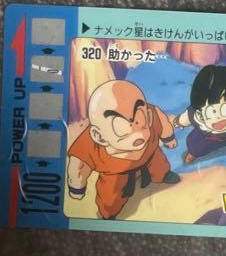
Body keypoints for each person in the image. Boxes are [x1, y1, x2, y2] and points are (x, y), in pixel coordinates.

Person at [66, 79, 180, 219]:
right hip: (115, 173)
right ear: (99, 136)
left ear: (148, 116)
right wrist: (77, 187)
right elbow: (78, 167)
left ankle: (163, 175)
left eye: (139, 121)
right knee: (110, 196)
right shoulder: (89, 145)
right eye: (121, 128)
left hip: (150, 154)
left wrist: (168, 138)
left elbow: (162, 122)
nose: (137, 134)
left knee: (159, 165)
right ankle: (108, 213)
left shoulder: (152, 115)